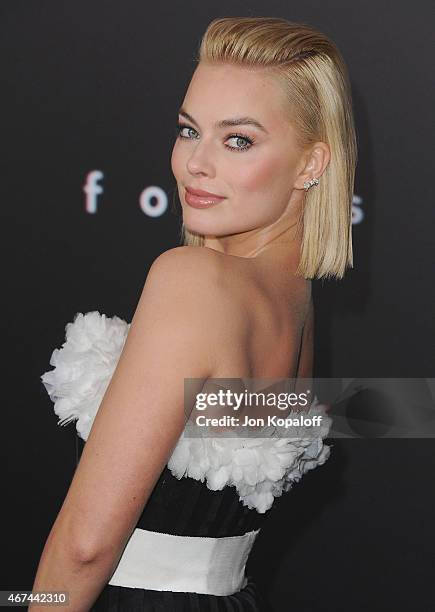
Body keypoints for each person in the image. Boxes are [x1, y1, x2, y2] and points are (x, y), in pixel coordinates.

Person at [31, 16, 357, 611]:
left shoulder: (193, 282)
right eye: (188, 130)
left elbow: (84, 546)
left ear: (312, 164)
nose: (194, 164)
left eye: (238, 140)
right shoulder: (297, 308)